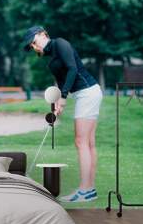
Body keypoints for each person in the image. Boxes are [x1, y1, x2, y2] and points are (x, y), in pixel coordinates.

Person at [23, 26, 103, 202]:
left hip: (87, 92)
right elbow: (61, 83)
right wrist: (59, 102)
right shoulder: (52, 59)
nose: (35, 47)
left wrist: (65, 97)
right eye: (32, 47)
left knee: (81, 141)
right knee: (88, 143)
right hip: (86, 93)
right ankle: (90, 189)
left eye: (34, 42)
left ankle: (84, 190)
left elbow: (73, 69)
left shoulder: (60, 43)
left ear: (43, 34)